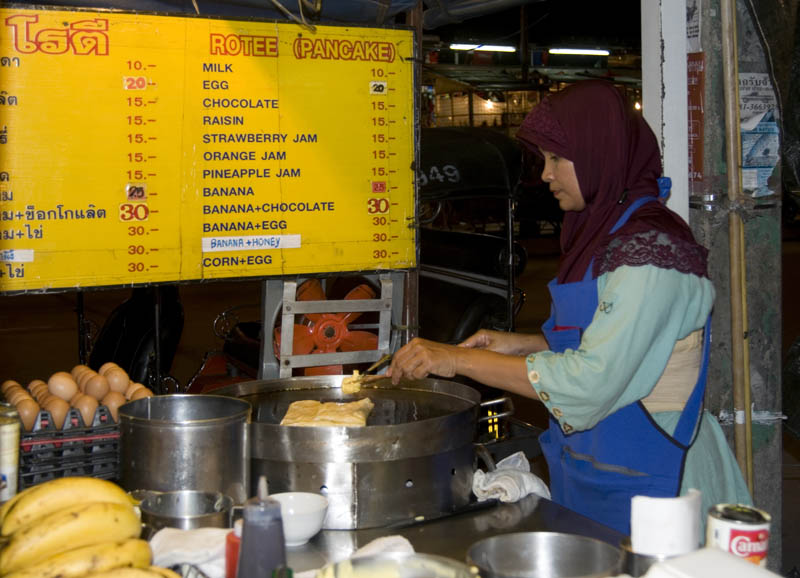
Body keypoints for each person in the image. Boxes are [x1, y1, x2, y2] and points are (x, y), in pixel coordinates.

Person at [388, 80, 752, 535]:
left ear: (601, 151)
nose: (546, 174)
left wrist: (459, 358)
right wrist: (520, 345)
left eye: (558, 158)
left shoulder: (652, 252)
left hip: (660, 484)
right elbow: (612, 337)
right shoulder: (604, 234)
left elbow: (592, 380)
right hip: (600, 470)